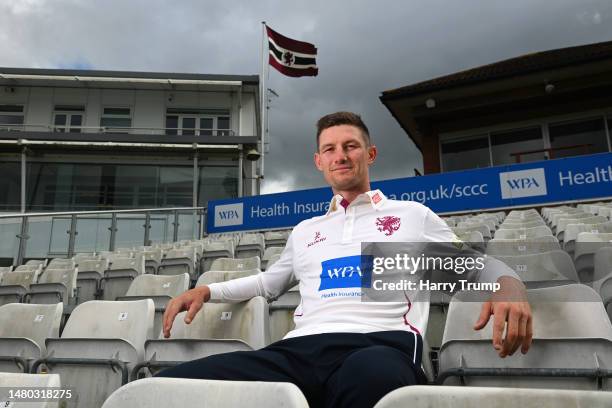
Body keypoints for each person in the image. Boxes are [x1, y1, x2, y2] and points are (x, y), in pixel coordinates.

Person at [158, 111, 533, 408]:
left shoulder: (412, 215)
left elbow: (473, 264)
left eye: (350, 146)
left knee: (370, 377)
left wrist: (510, 286)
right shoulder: (306, 229)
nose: (341, 155)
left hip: (381, 346)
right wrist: (207, 290)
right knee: (166, 387)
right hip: (299, 351)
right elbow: (267, 283)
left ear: (369, 154)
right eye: (331, 149)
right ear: (319, 161)